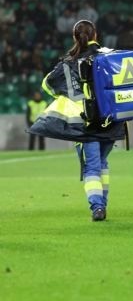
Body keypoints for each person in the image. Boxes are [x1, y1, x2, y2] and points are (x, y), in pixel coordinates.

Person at [28, 20, 126, 221]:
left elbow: (47, 84)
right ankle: (102, 205)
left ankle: (97, 208)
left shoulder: (68, 62)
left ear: (75, 37)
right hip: (111, 120)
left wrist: (69, 93)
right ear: (95, 34)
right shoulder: (109, 56)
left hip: (84, 123)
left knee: (92, 166)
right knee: (102, 162)